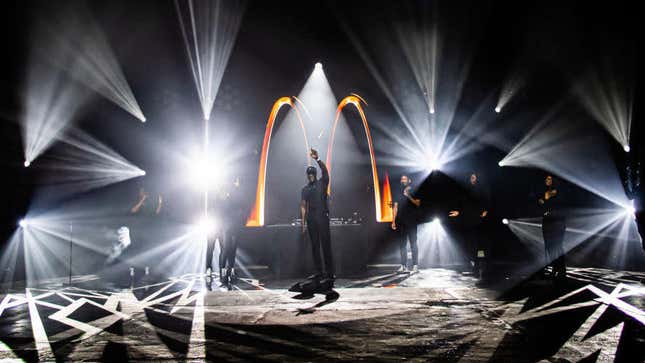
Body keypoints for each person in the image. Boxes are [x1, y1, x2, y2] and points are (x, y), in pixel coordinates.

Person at [300, 148, 334, 280]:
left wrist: (318, 159)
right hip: (312, 218)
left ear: (315, 174)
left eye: (312, 173)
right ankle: (319, 272)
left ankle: (329, 272)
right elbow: (303, 206)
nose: (310, 175)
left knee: (326, 245)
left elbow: (325, 172)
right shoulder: (305, 189)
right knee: (315, 246)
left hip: (322, 217)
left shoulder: (322, 184)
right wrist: (303, 223)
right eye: (308, 174)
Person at [460, 173, 489, 277]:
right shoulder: (468, 190)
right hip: (470, 220)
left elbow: (486, 201)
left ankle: (479, 266)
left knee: (479, 245)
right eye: (471, 177)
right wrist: (459, 213)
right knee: (471, 244)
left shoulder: (481, 189)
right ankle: (475, 266)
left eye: (474, 177)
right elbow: (465, 205)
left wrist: (485, 211)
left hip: (479, 221)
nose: (472, 179)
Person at [539, 174, 566, 282]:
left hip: (557, 222)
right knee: (549, 246)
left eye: (549, 179)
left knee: (557, 246)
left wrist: (544, 200)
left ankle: (560, 269)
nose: (546, 180)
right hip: (547, 221)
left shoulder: (558, 191)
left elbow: (546, 200)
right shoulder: (546, 191)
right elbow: (541, 202)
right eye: (546, 178)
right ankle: (555, 268)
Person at [218, 177, 246, 283]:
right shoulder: (223, 191)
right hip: (226, 224)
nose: (236, 183)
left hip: (235, 224)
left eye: (237, 181)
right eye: (235, 181)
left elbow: (242, 207)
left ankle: (231, 270)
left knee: (233, 249)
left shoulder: (238, 194)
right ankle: (223, 272)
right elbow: (222, 207)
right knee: (225, 248)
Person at [391, 175, 421, 273]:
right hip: (401, 221)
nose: (403, 180)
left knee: (413, 243)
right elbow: (395, 207)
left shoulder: (415, 189)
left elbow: (417, 203)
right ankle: (403, 265)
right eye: (401, 179)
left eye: (405, 179)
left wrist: (408, 195)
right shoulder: (397, 191)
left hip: (412, 221)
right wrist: (393, 221)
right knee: (402, 244)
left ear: (409, 180)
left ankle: (415, 266)